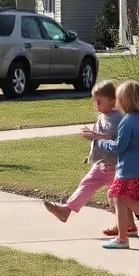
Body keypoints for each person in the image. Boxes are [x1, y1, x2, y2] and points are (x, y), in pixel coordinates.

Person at [83, 80, 139, 249]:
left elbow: (118, 147)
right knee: (121, 198)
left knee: (124, 199)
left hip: (128, 168)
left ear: (125, 100)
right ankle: (124, 236)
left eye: (118, 98)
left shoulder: (127, 121)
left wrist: (100, 141)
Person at [44, 81, 125, 234]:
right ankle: (126, 224)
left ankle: (66, 211)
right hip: (105, 163)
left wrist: (94, 136)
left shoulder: (115, 118)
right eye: (94, 101)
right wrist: (92, 151)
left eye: (99, 101)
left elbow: (111, 139)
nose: (96, 105)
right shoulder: (104, 116)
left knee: (91, 184)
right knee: (115, 195)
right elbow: (100, 137)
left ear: (113, 101)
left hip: (110, 164)